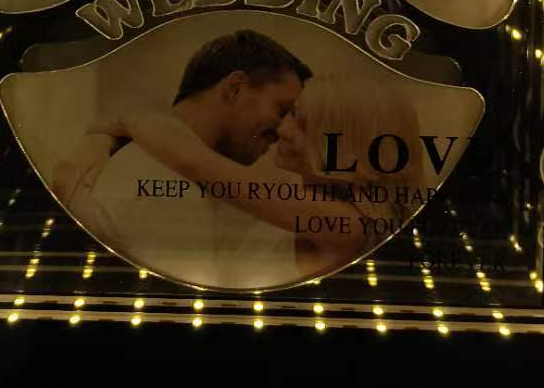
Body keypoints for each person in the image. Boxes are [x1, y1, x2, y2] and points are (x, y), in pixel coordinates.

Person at [88, 68, 428, 289]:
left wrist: (124, 121)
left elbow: (193, 161)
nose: (283, 129)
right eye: (290, 114)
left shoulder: (347, 223)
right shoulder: (305, 199)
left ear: (341, 142)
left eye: (302, 123)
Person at [55, 29, 312, 288]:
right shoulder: (159, 181)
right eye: (282, 110)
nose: (283, 131)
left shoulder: (160, 170)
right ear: (236, 88)